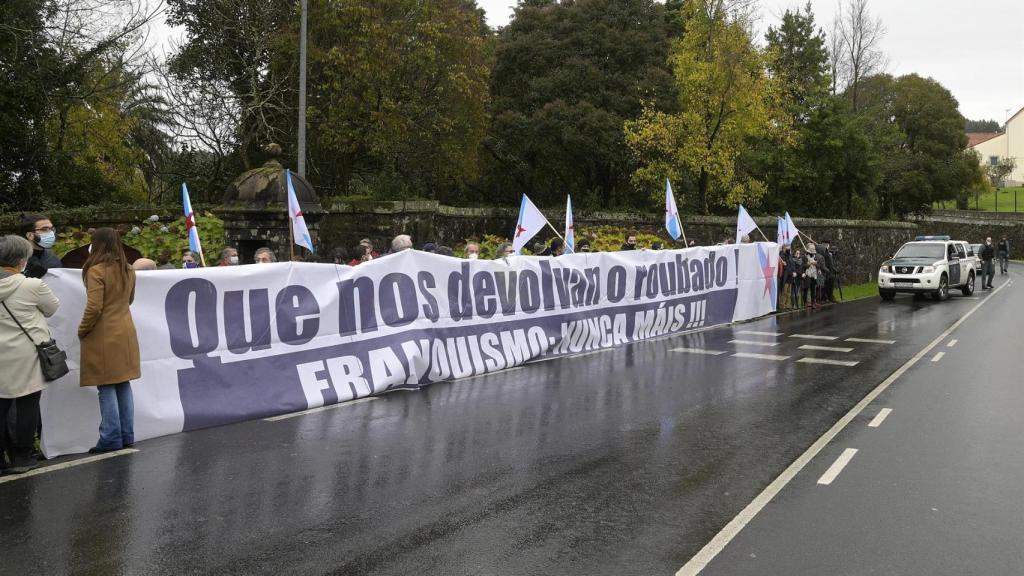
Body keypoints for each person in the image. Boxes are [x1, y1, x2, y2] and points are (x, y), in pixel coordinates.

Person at [0, 236, 60, 474]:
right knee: (27, 405)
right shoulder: (31, 285)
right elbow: (52, 307)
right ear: (22, 260)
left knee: (1, 406)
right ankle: (23, 456)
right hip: (26, 353)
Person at [77, 228, 141, 453]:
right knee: (123, 383)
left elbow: (94, 307)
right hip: (126, 330)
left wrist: (82, 330)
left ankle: (110, 437)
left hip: (103, 334)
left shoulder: (96, 270)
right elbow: (129, 299)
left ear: (97, 244)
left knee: (105, 386)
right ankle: (126, 434)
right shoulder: (128, 268)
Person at [19, 213, 62, 279]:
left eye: (51, 229)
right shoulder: (18, 260)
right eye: (44, 229)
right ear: (30, 235)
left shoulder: (51, 255)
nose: (51, 233)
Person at [819, 239, 836, 303]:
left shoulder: (829, 253)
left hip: (830, 271)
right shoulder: (822, 252)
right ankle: (825, 298)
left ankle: (830, 296)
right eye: (825, 245)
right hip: (825, 271)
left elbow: (831, 263)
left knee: (830, 285)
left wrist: (834, 269)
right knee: (825, 285)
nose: (827, 246)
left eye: (827, 245)